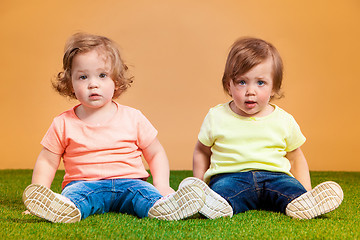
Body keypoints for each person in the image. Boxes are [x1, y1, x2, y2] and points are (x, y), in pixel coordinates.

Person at [22, 33, 205, 223]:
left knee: (147, 196)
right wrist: (40, 191)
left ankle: (163, 205)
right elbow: (47, 161)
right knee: (75, 198)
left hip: (131, 183)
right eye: (83, 77)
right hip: (84, 184)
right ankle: (59, 207)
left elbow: (156, 153)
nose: (93, 84)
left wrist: (162, 185)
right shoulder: (63, 123)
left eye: (102, 75)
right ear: (70, 84)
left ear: (116, 81)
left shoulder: (133, 117)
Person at [180, 37, 343, 220]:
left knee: (290, 190)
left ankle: (305, 202)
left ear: (274, 87)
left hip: (276, 177)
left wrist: (306, 190)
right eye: (242, 82)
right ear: (229, 85)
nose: (251, 91)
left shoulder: (284, 120)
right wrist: (201, 183)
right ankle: (208, 201)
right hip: (231, 177)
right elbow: (202, 151)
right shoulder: (216, 116)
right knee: (222, 193)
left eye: (260, 83)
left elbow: (296, 158)